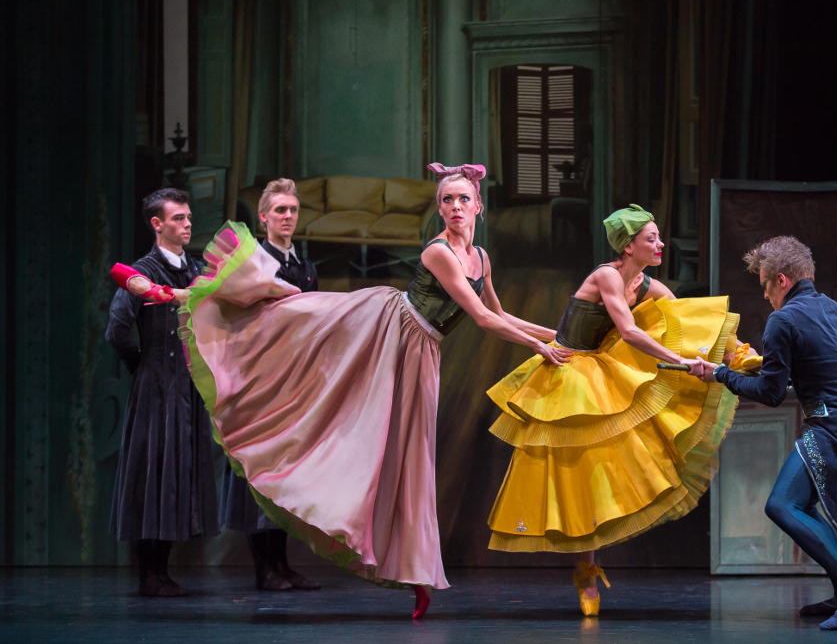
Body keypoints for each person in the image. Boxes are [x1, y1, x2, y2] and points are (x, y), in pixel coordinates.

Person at [109, 163, 571, 619]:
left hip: (424, 350)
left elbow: (501, 312)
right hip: (393, 332)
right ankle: (184, 298)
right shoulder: (440, 253)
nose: (454, 207)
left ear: (479, 208)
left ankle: (415, 570)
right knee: (302, 323)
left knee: (411, 454)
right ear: (439, 208)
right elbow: (481, 318)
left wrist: (557, 336)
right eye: (447, 200)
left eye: (462, 200)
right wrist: (539, 346)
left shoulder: (481, 258)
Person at [486, 204, 752, 617]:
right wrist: (683, 365)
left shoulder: (646, 284)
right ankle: (586, 571)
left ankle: (587, 568)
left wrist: (731, 352)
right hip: (568, 372)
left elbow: (691, 319)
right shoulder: (607, 274)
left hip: (597, 365)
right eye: (652, 239)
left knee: (611, 465)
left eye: (658, 237)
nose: (661, 244)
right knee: (581, 473)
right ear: (628, 246)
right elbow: (627, 331)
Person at [699, 236, 837, 631]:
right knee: (801, 505)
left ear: (781, 280)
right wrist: (752, 366)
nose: (764, 295)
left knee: (781, 505)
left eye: (764, 285)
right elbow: (818, 371)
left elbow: (772, 394)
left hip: (832, 426)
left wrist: (720, 374)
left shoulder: (783, 320)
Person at [105, 188, 219, 597]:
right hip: (155, 387)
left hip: (187, 386)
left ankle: (162, 571)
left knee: (177, 473)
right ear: (158, 224)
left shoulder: (195, 270)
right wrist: (143, 366)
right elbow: (117, 329)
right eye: (178, 219)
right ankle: (148, 574)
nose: (187, 224)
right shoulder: (143, 270)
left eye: (189, 218)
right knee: (151, 473)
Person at [219, 179, 320, 591]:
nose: (288, 217)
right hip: (258, 382)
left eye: (293, 210)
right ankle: (264, 570)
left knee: (286, 477)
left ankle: (282, 563)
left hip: (293, 380)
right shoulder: (252, 262)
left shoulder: (306, 266)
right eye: (280, 210)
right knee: (257, 475)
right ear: (263, 217)